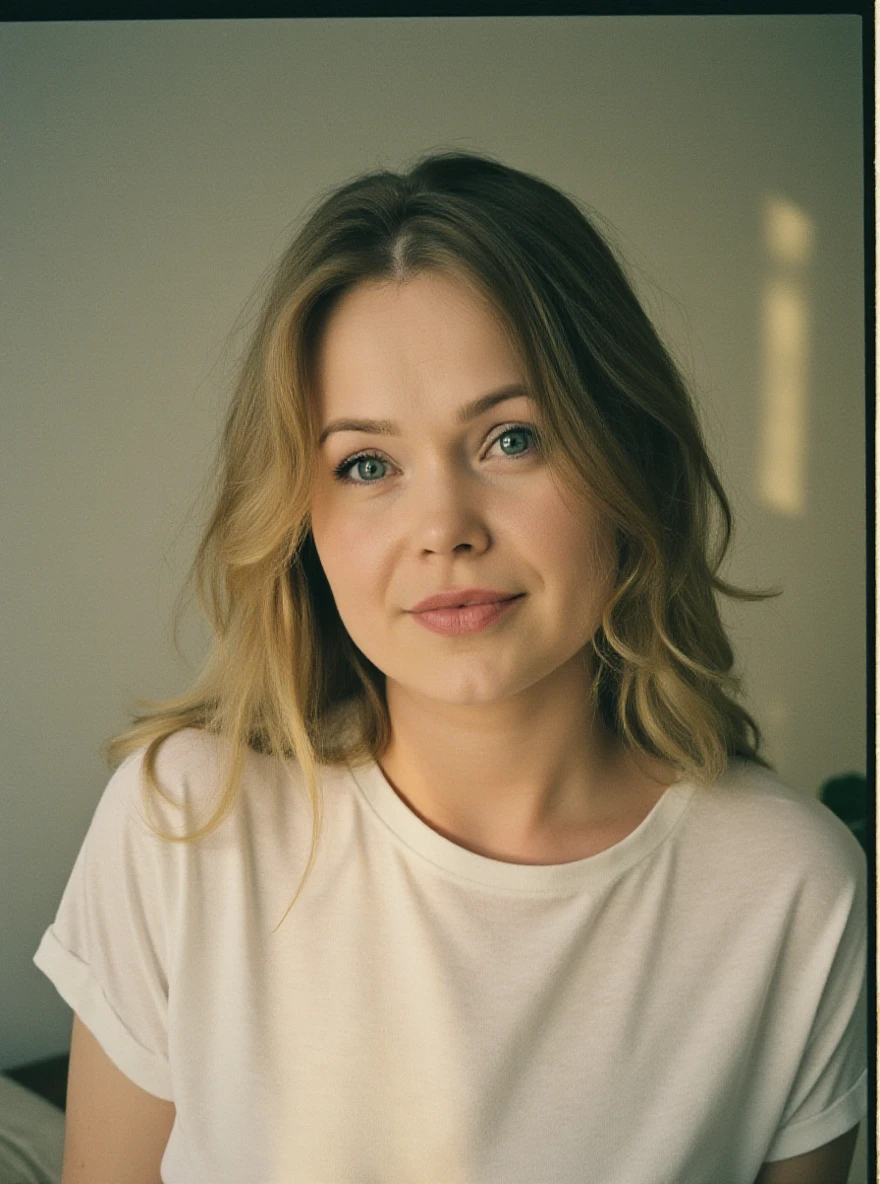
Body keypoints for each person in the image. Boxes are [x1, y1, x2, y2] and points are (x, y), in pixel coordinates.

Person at [33, 149, 866, 1184]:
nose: (443, 528)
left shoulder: (795, 887)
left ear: (627, 458)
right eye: (367, 465)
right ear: (302, 517)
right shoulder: (182, 824)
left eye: (511, 438)